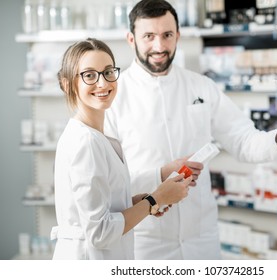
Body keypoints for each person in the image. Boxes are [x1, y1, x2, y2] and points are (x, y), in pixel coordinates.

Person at [104, 0, 277, 260]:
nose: (159, 46)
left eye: (167, 35)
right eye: (149, 36)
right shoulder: (114, 97)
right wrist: (159, 175)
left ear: (178, 35)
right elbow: (110, 185)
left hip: (201, 238)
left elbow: (243, 140)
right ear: (131, 39)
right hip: (145, 241)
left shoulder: (201, 86)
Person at [51, 38, 191, 260]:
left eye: (108, 72)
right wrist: (155, 200)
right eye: (89, 75)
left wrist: (136, 203)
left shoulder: (97, 137)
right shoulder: (85, 142)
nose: (103, 83)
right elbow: (99, 232)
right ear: (68, 84)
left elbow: (98, 210)